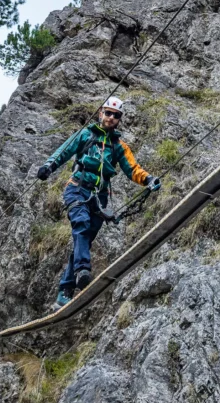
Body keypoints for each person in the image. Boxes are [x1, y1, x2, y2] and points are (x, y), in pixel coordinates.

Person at [36, 96, 161, 308]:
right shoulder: (85, 134)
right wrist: (49, 166)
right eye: (108, 113)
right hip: (77, 188)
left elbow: (132, 168)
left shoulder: (118, 146)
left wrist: (148, 179)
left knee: (83, 240)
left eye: (116, 115)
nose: (111, 118)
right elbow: (64, 151)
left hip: (100, 198)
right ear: (101, 113)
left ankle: (65, 291)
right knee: (81, 225)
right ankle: (83, 271)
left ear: (119, 119)